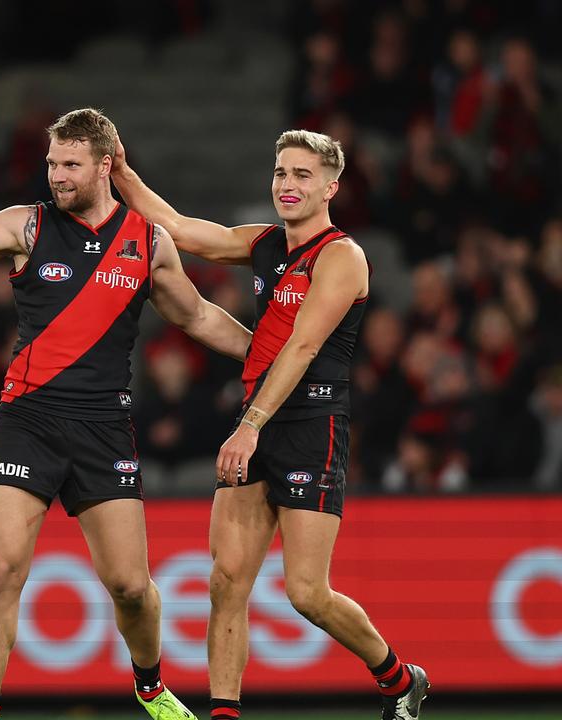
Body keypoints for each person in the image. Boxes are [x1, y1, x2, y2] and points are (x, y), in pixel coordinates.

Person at [0, 107, 253, 720]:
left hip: (104, 428)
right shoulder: (29, 226)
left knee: (129, 586)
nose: (57, 175)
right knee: (1, 567)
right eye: (51, 163)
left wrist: (267, 357)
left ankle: (149, 685)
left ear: (105, 166)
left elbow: (197, 316)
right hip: (28, 419)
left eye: (70, 164)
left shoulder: (147, 241)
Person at [110, 129, 430, 720]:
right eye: (281, 173)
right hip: (258, 424)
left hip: (310, 423)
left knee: (306, 593)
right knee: (225, 582)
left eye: (303, 175)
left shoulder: (343, 256)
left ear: (332, 187)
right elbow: (179, 229)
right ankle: (225, 715)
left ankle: (398, 677)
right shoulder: (264, 243)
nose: (287, 184)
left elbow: (304, 347)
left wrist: (251, 423)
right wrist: (122, 173)